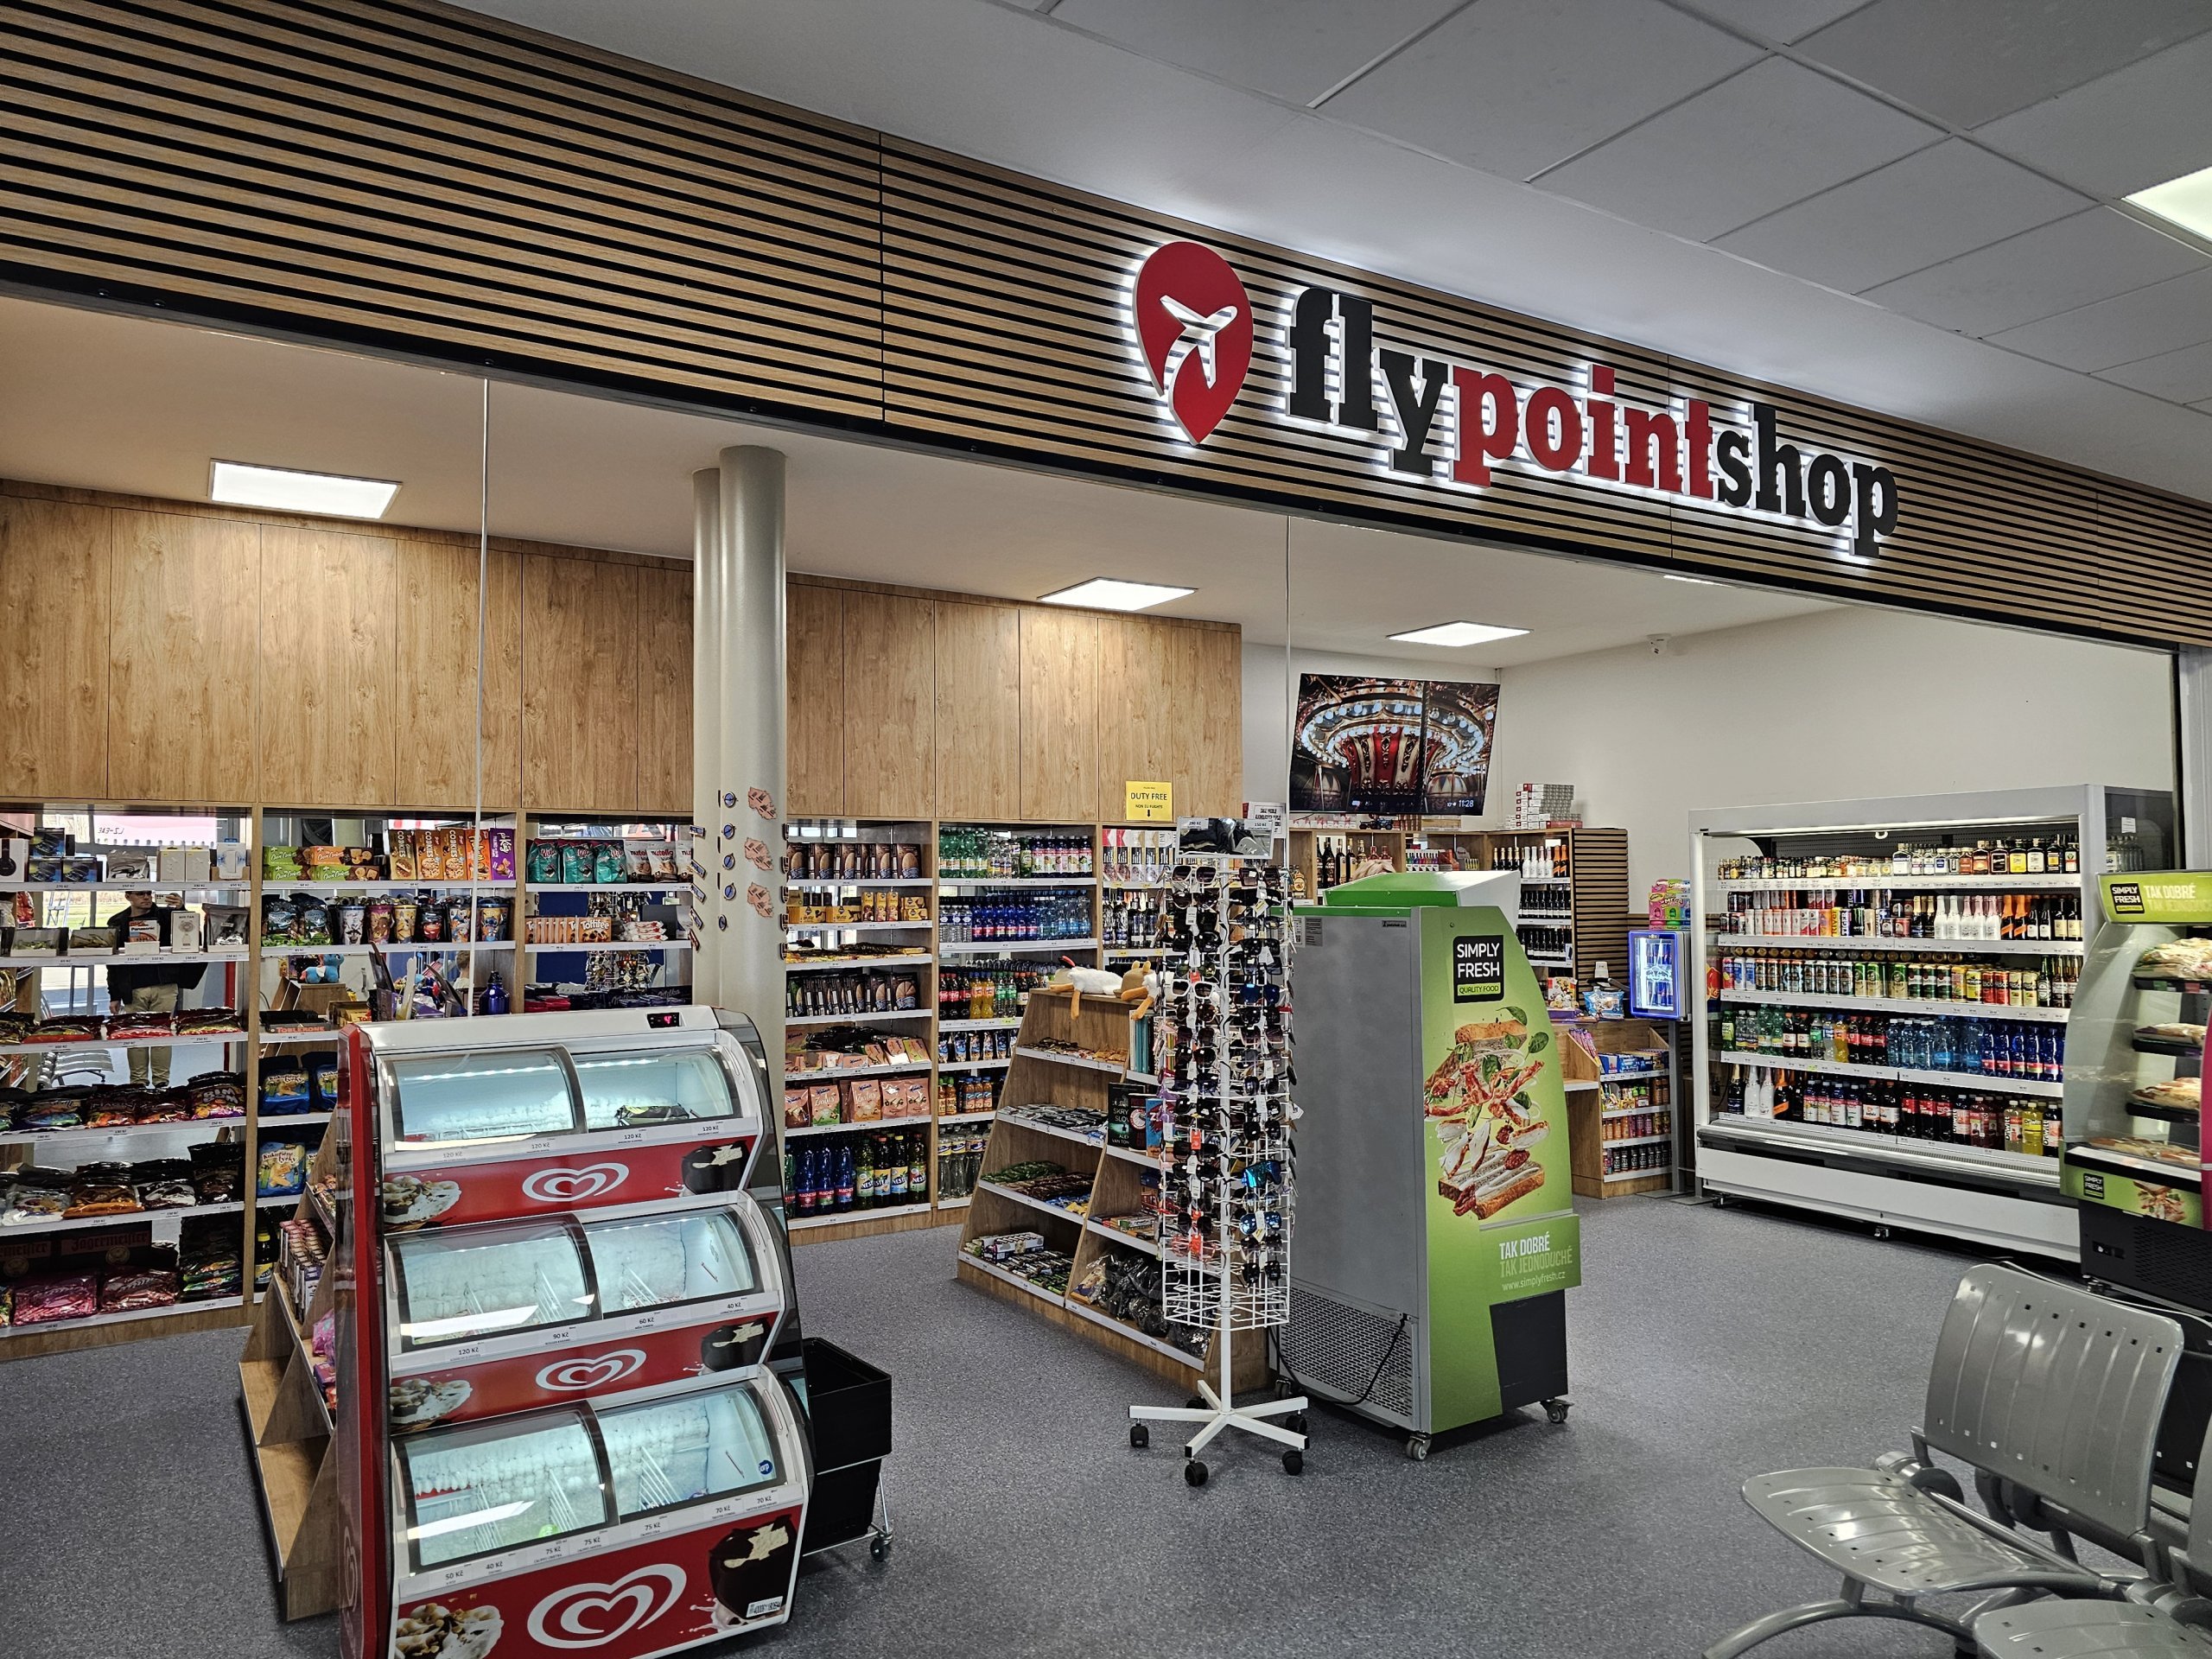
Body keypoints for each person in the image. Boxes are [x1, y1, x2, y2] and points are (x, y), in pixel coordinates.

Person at [104, 891, 205, 1089]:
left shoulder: (167, 916)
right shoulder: (117, 922)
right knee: (135, 1036)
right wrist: (114, 995)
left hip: (165, 985)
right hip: (132, 988)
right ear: (128, 896)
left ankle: (161, 1083)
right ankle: (138, 1084)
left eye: (149, 894)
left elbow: (191, 934)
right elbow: (112, 963)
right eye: (140, 894)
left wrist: (181, 910)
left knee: (162, 1035)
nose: (146, 898)